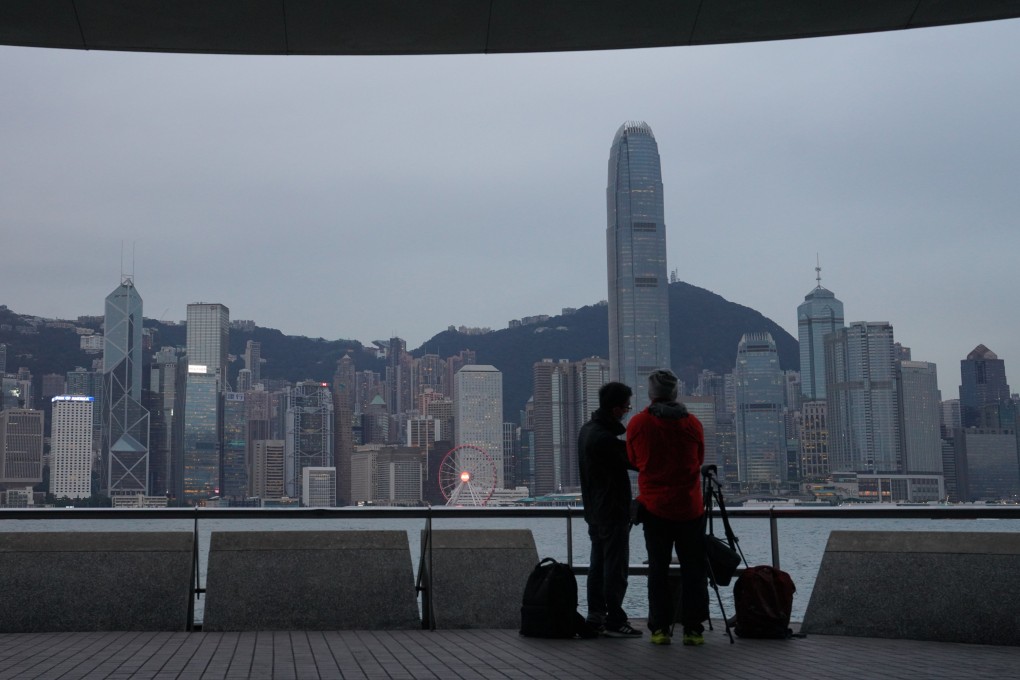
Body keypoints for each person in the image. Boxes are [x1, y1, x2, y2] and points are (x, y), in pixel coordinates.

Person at [627, 369, 709, 646]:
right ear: (675, 393)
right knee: (694, 570)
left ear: (650, 394)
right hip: (690, 507)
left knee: (658, 570)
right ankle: (694, 629)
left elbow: (634, 459)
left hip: (655, 507)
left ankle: (660, 629)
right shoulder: (693, 424)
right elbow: (698, 459)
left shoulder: (638, 424)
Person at [577, 381, 642, 638]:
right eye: (626, 406)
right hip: (612, 511)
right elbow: (636, 460)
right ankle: (615, 617)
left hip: (594, 510)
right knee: (615, 567)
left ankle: (595, 616)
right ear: (616, 409)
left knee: (597, 564)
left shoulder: (587, 431)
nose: (628, 410)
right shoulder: (604, 439)